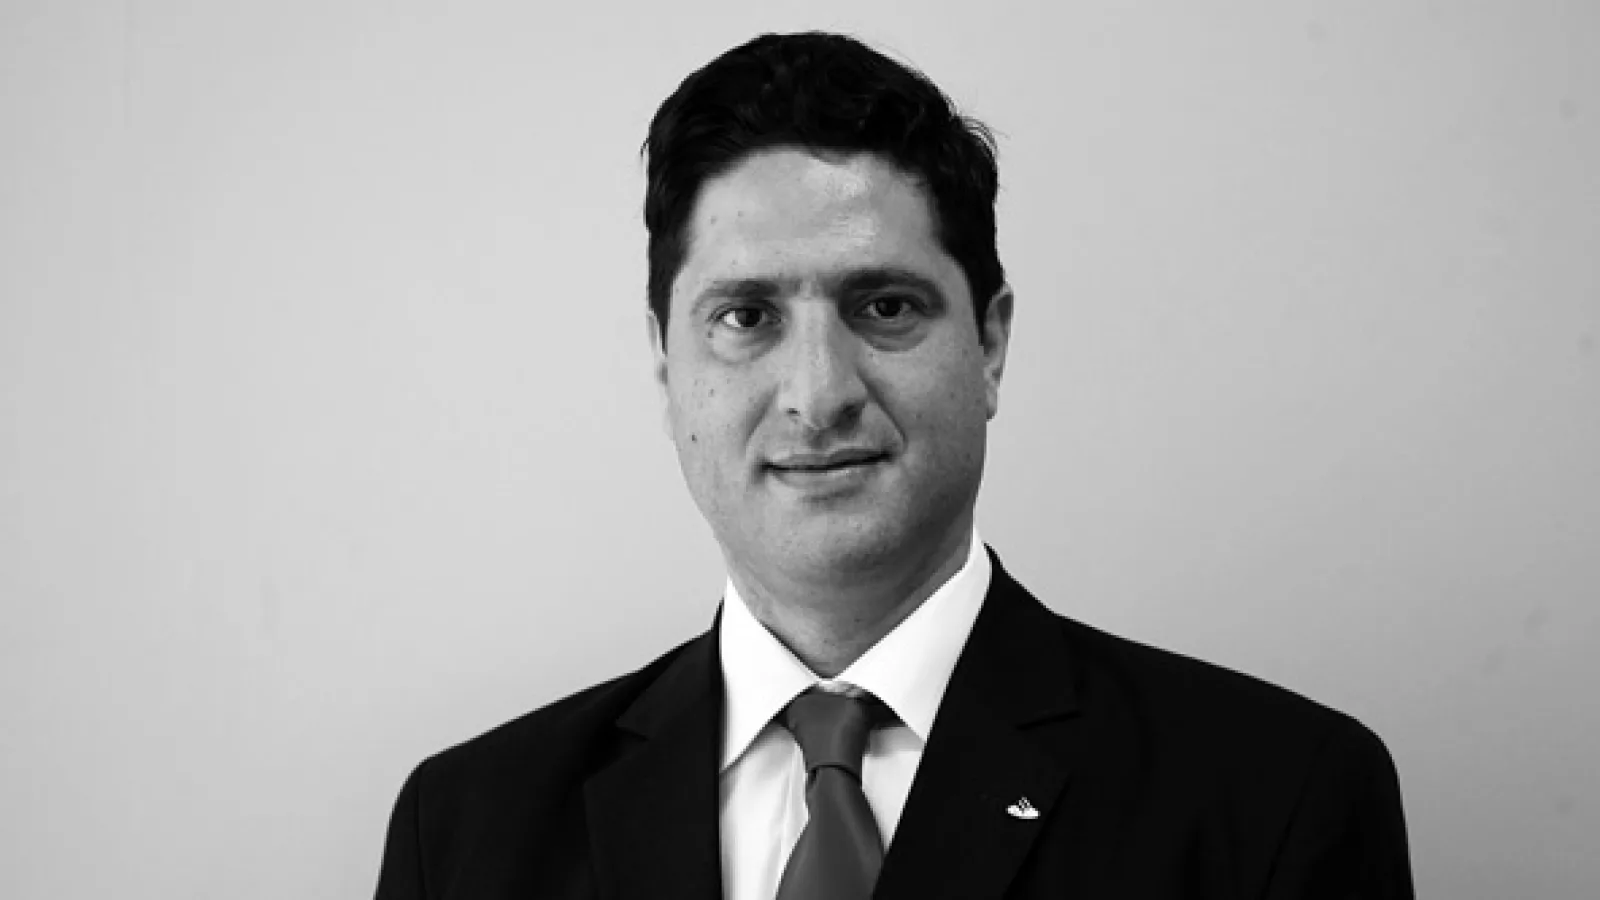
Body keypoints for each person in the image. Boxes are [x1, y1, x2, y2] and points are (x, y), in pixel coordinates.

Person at [373, 31, 1414, 900]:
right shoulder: (464, 831)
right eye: (746, 317)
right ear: (664, 364)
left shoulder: (1276, 799)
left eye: (883, 306)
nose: (817, 392)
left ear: (989, 345)